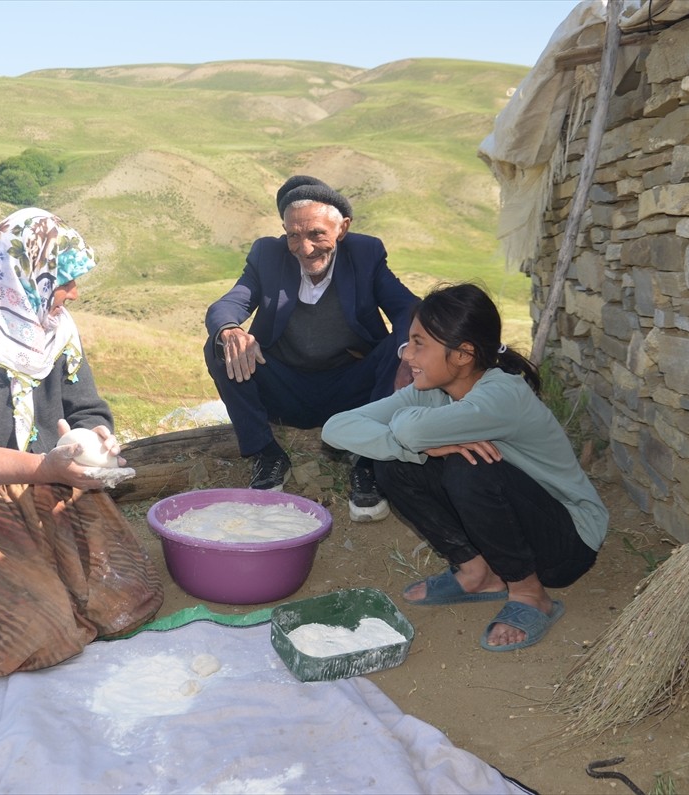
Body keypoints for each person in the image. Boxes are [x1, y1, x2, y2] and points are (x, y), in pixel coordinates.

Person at [0, 207, 163, 677]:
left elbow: (85, 407)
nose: (74, 293)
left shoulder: (54, 330)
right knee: (39, 636)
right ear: (26, 276)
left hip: (51, 480)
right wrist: (44, 469)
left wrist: (100, 437)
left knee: (125, 602)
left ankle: (43, 572)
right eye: (64, 280)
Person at [321, 283, 607, 652]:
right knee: (394, 465)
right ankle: (478, 574)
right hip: (515, 529)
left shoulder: (502, 395)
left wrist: (423, 440)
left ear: (462, 354)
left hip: (567, 542)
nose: (407, 355)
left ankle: (530, 593)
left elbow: (411, 427)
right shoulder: (431, 391)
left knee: (468, 468)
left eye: (419, 343)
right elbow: (336, 428)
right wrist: (417, 447)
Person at [204, 175, 419, 521]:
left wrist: (409, 352)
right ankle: (267, 452)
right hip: (285, 388)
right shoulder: (267, 255)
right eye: (293, 235)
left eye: (317, 233)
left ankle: (367, 460)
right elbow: (227, 306)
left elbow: (407, 308)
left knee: (402, 343)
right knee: (219, 345)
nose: (304, 248)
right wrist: (230, 330)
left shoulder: (366, 254)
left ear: (343, 228)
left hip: (353, 389)